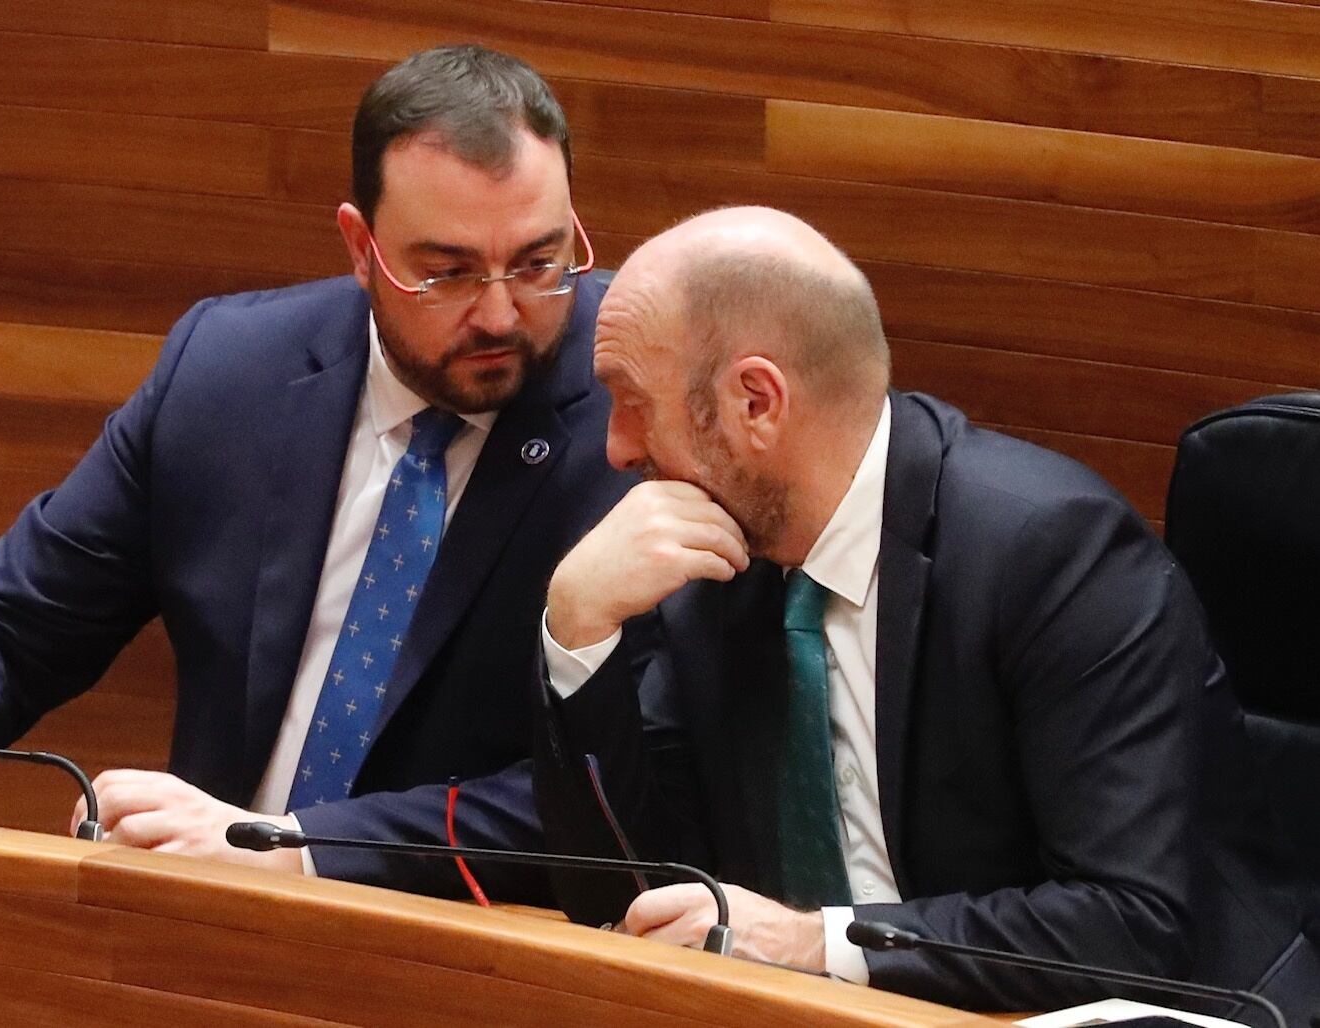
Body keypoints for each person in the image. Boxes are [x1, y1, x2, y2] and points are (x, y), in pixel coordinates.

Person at [0, 45, 632, 903]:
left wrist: (290, 848)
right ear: (361, 247)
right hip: (206, 937)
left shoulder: (636, 416)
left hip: (486, 955)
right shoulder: (231, 372)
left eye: (538, 262)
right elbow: (10, 623)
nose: (501, 312)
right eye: (447, 273)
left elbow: (619, 787)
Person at [533, 206, 1309, 1010]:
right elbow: (629, 898)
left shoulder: (1051, 552)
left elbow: (1129, 925)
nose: (616, 449)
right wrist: (576, 631)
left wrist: (813, 942)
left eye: (631, 401)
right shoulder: (710, 566)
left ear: (755, 402)